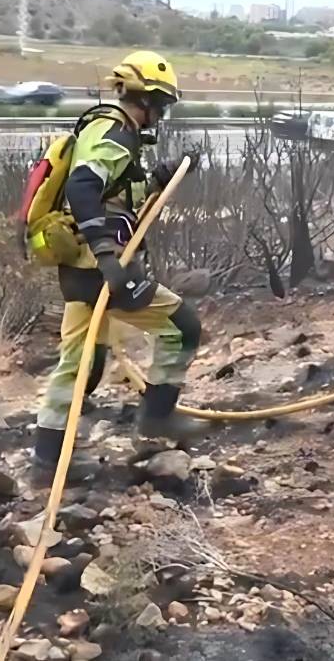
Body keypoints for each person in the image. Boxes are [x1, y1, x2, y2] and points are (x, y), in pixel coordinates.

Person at [32, 51, 203, 484]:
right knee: (181, 326)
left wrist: (159, 178)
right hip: (101, 268)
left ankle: (47, 461)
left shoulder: (110, 132)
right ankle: (156, 419)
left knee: (81, 363)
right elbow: (84, 187)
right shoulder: (113, 132)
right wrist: (108, 256)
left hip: (82, 267)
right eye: (160, 104)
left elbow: (115, 194)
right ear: (142, 98)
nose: (161, 114)